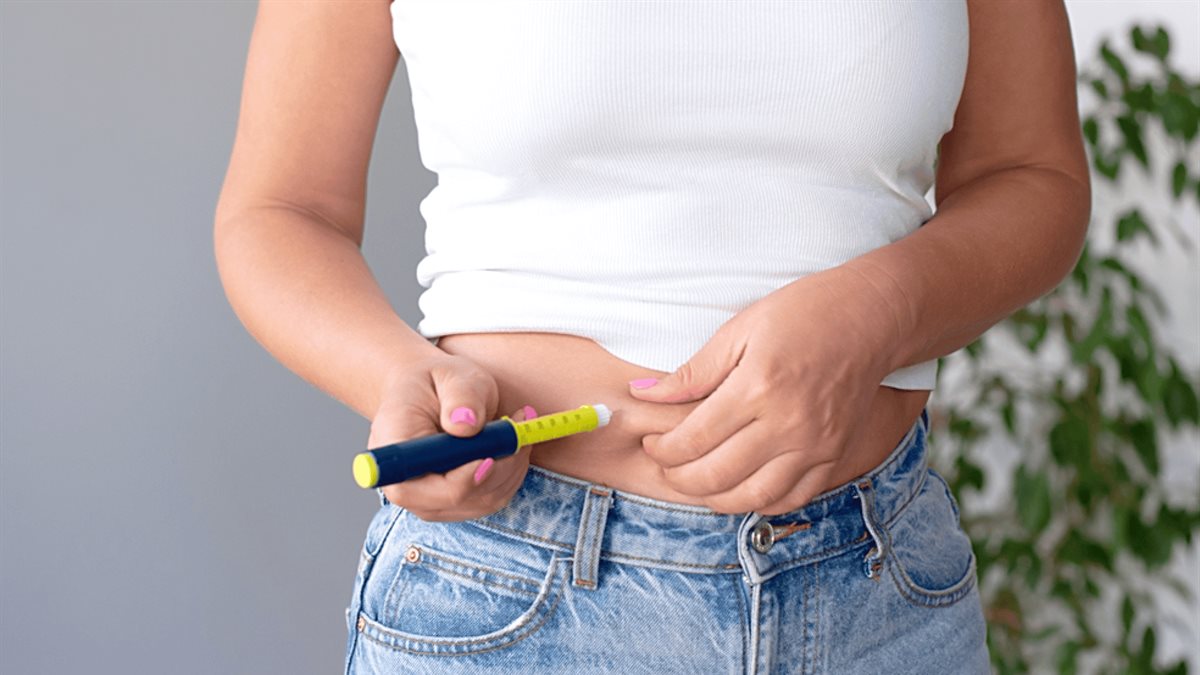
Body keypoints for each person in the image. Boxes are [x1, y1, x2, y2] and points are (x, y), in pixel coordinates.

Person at [214, 1, 1090, 672]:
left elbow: (1033, 173)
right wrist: (397, 375)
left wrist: (879, 307)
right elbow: (283, 208)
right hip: (513, 597)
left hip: (878, 596)